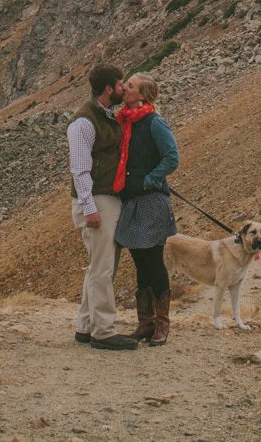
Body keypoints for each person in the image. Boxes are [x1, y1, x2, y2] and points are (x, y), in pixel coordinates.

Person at [67, 63, 137, 350]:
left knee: (97, 266)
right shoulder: (83, 122)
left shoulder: (104, 116)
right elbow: (80, 169)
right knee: (103, 268)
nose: (123, 88)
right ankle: (104, 331)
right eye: (121, 85)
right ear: (109, 88)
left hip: (104, 198)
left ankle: (86, 326)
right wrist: (89, 207)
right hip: (96, 199)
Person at [111, 73, 180, 346]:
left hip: (151, 200)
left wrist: (150, 180)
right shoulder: (125, 121)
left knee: (153, 260)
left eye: (129, 86)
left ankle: (162, 325)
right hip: (132, 200)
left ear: (141, 95)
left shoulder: (154, 122)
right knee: (140, 261)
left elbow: (172, 156)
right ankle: (146, 323)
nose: (124, 89)